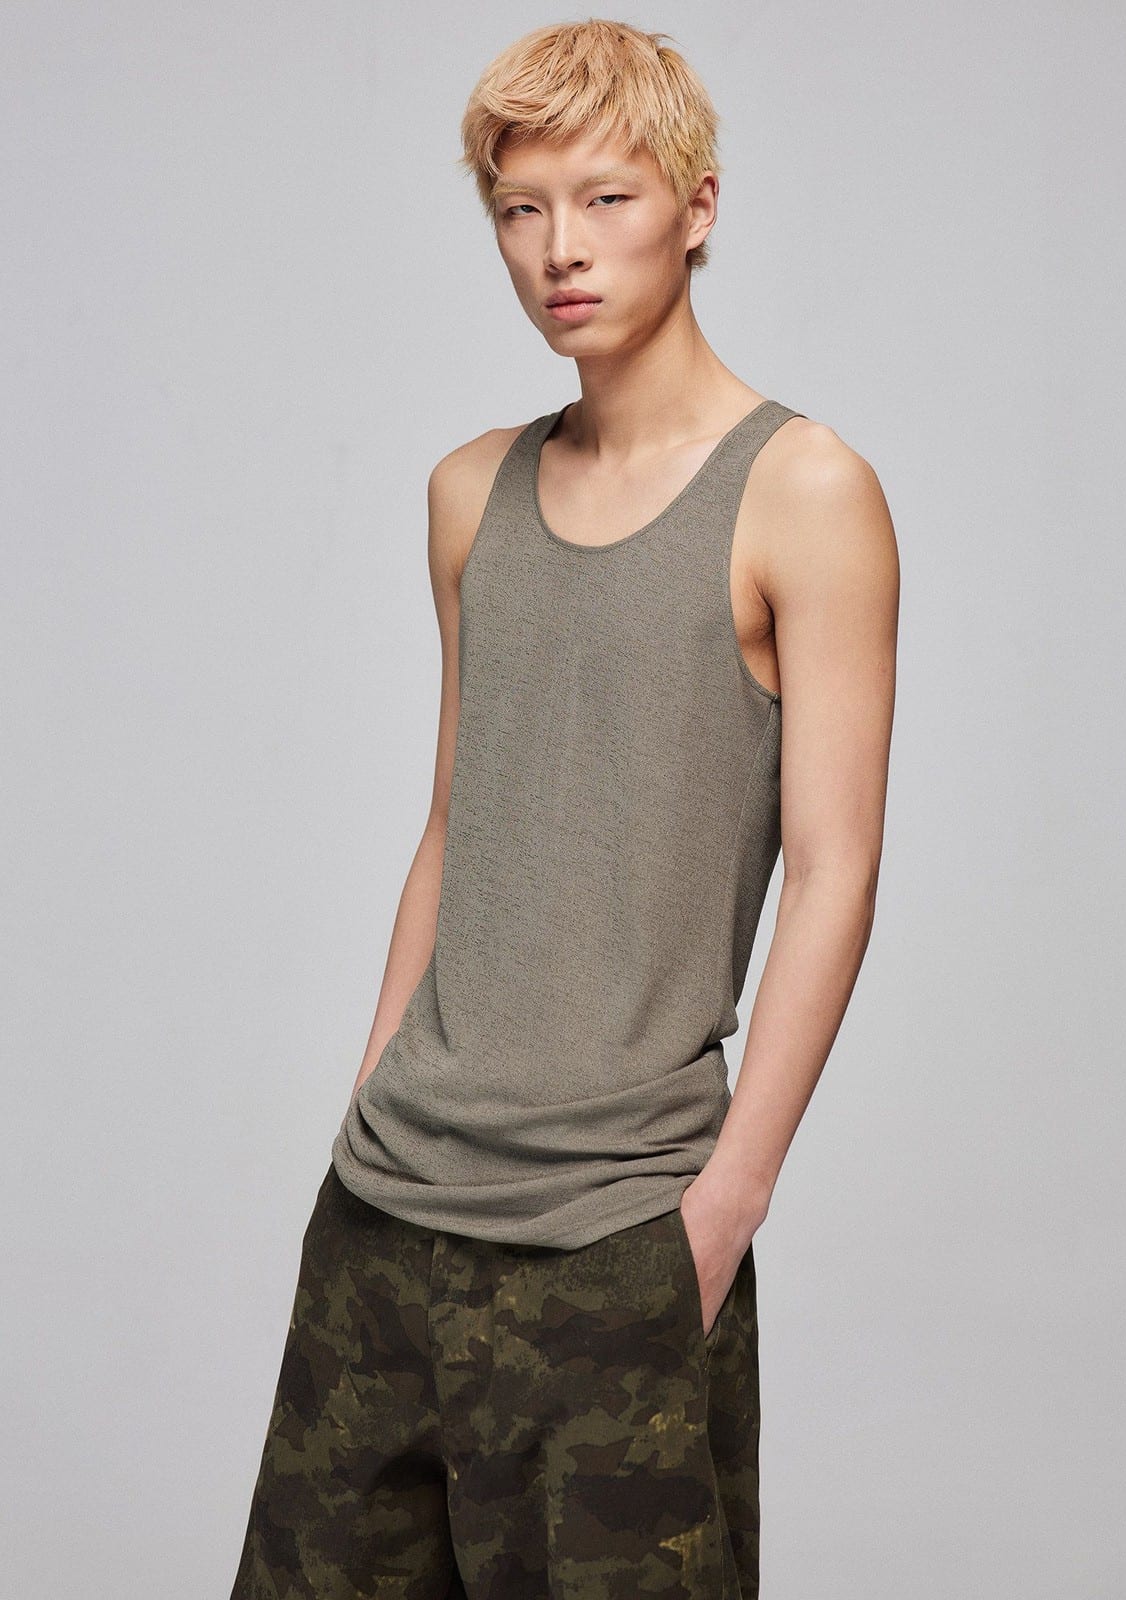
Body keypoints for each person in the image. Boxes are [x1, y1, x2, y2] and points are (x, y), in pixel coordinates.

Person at [230, 18, 898, 1599]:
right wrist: (370, 1091)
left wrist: (721, 1211)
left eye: (605, 199)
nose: (559, 251)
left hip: (616, 1239)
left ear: (698, 205)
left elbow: (837, 870)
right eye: (521, 210)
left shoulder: (805, 492)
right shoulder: (470, 491)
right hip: (384, 1220)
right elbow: (456, 822)